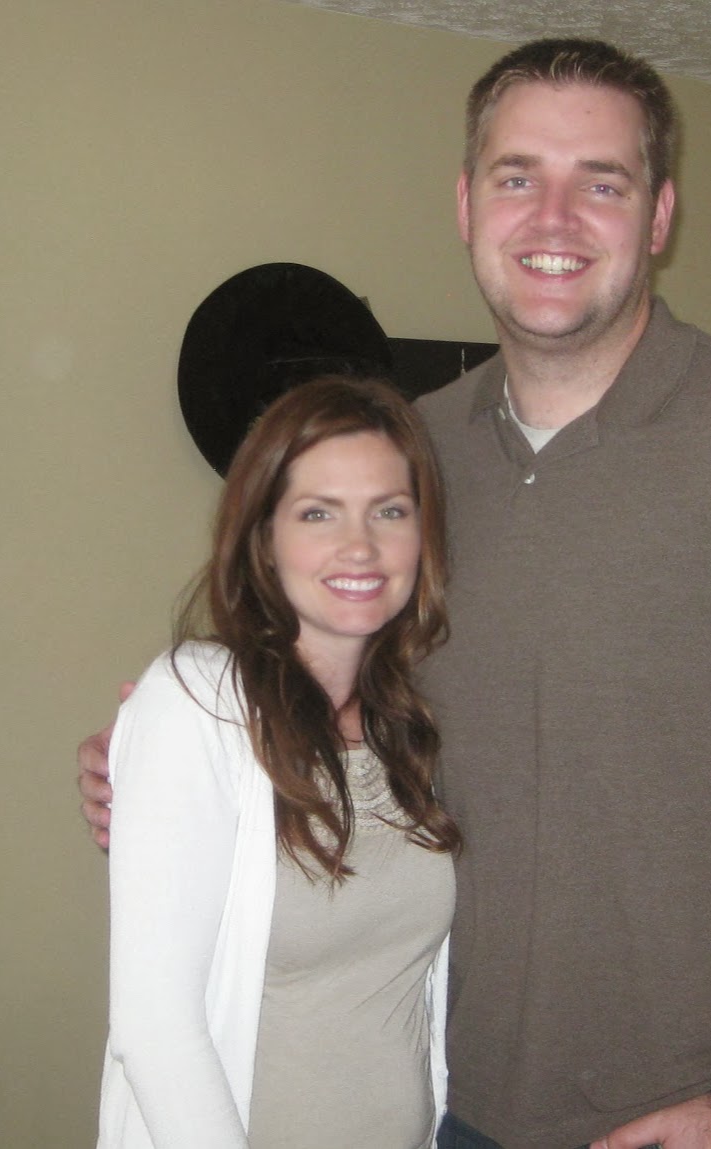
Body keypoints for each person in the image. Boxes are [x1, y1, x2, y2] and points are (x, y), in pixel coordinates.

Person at [81, 39, 711, 1149]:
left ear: (660, 216)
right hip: (459, 1104)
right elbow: (335, 696)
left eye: (602, 183)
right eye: (516, 176)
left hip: (706, 1116)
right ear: (465, 204)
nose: (553, 218)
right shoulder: (415, 461)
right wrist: (188, 766)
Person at [96, 375, 460, 1148]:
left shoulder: (409, 726)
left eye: (390, 510)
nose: (360, 545)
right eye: (318, 512)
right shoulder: (197, 701)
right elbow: (154, 1026)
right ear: (264, 538)